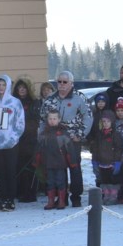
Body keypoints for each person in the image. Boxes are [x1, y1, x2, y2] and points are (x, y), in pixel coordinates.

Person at [39, 71, 91, 207]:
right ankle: (60, 197)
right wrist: (42, 137)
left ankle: (76, 196)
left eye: (65, 82)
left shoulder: (80, 98)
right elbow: (42, 119)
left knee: (75, 168)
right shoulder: (50, 99)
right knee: (57, 169)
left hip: (72, 139)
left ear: (71, 83)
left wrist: (80, 134)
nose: (61, 84)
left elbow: (88, 117)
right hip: (54, 140)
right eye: (59, 82)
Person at [0, 74, 25, 211]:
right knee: (0, 172)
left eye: (3, 85)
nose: (1, 87)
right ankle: (3, 198)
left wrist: (14, 138)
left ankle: (11, 199)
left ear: (8, 86)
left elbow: (20, 123)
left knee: (10, 171)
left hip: (11, 144)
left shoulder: (15, 103)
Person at [37, 107, 75, 209]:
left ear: (59, 120)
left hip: (60, 163)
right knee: (50, 182)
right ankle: (50, 201)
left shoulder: (63, 133)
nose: (52, 121)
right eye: (50, 119)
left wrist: (72, 162)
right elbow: (39, 149)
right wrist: (36, 160)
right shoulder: (43, 134)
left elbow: (69, 149)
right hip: (48, 163)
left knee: (61, 182)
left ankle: (61, 201)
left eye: (54, 119)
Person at [12, 76, 40, 202]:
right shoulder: (13, 102)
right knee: (20, 166)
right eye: (19, 88)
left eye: (24, 88)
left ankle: (31, 193)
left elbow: (36, 120)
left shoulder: (34, 103)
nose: (21, 90)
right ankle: (21, 192)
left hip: (31, 139)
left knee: (31, 167)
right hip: (18, 140)